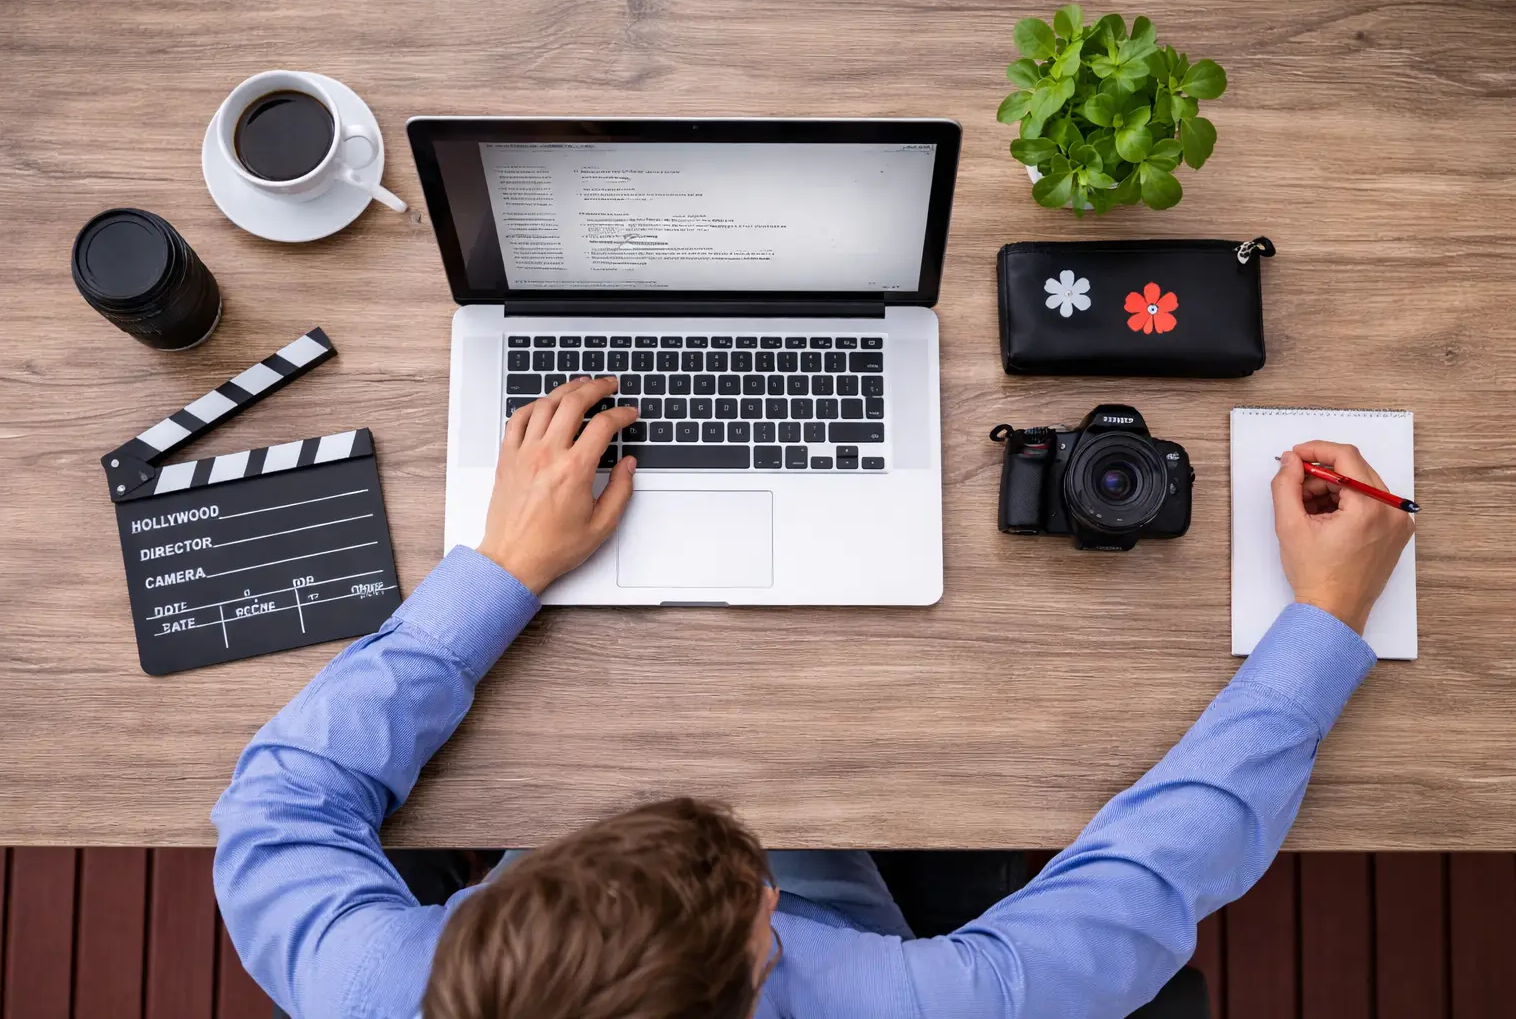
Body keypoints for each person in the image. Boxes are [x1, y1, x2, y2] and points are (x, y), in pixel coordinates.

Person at [212, 375, 1415, 1019]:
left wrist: (501, 568)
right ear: (756, 973)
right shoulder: (904, 1004)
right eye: (761, 911)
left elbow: (275, 806)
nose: (772, 880)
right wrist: (1323, 623)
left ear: (480, 913)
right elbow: (1144, 891)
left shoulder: (372, 984)